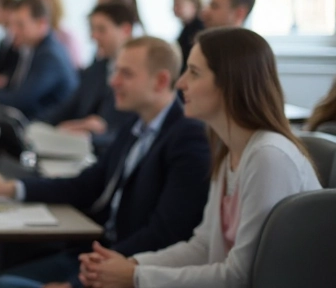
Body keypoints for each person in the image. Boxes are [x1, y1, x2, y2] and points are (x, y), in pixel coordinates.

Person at [78, 27, 321, 288]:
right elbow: (203, 247)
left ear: (229, 82)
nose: (180, 83)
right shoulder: (228, 152)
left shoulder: (268, 157)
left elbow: (242, 277)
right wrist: (133, 264)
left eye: (194, 72)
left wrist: (136, 277)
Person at [0, 36, 210, 288]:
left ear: (160, 81)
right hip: (98, 255)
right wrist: (11, 187)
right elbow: (87, 184)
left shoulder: (188, 137)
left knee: (1, 283)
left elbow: (165, 234)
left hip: (127, 267)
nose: (113, 81)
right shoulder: (135, 125)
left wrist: (77, 283)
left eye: (126, 74)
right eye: (115, 71)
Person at [49, 3, 139, 150]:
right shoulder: (98, 67)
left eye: (101, 30)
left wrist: (87, 135)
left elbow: (121, 131)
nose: (93, 36)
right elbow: (69, 106)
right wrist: (38, 126)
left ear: (126, 30)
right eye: (93, 29)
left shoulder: (139, 75)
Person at [0, 0, 78, 122]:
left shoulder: (49, 56)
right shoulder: (33, 49)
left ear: (41, 24)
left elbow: (20, 100)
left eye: (20, 25)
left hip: (50, 126)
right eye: (12, 25)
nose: (14, 31)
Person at [37, 0, 85, 69]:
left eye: (45, 3)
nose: (39, 8)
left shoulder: (67, 37)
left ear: (56, 6)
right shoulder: (36, 38)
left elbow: (76, 69)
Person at [173, 0, 204, 73]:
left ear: (193, 4)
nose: (174, 8)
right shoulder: (186, 29)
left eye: (178, 4)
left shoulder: (199, 30)